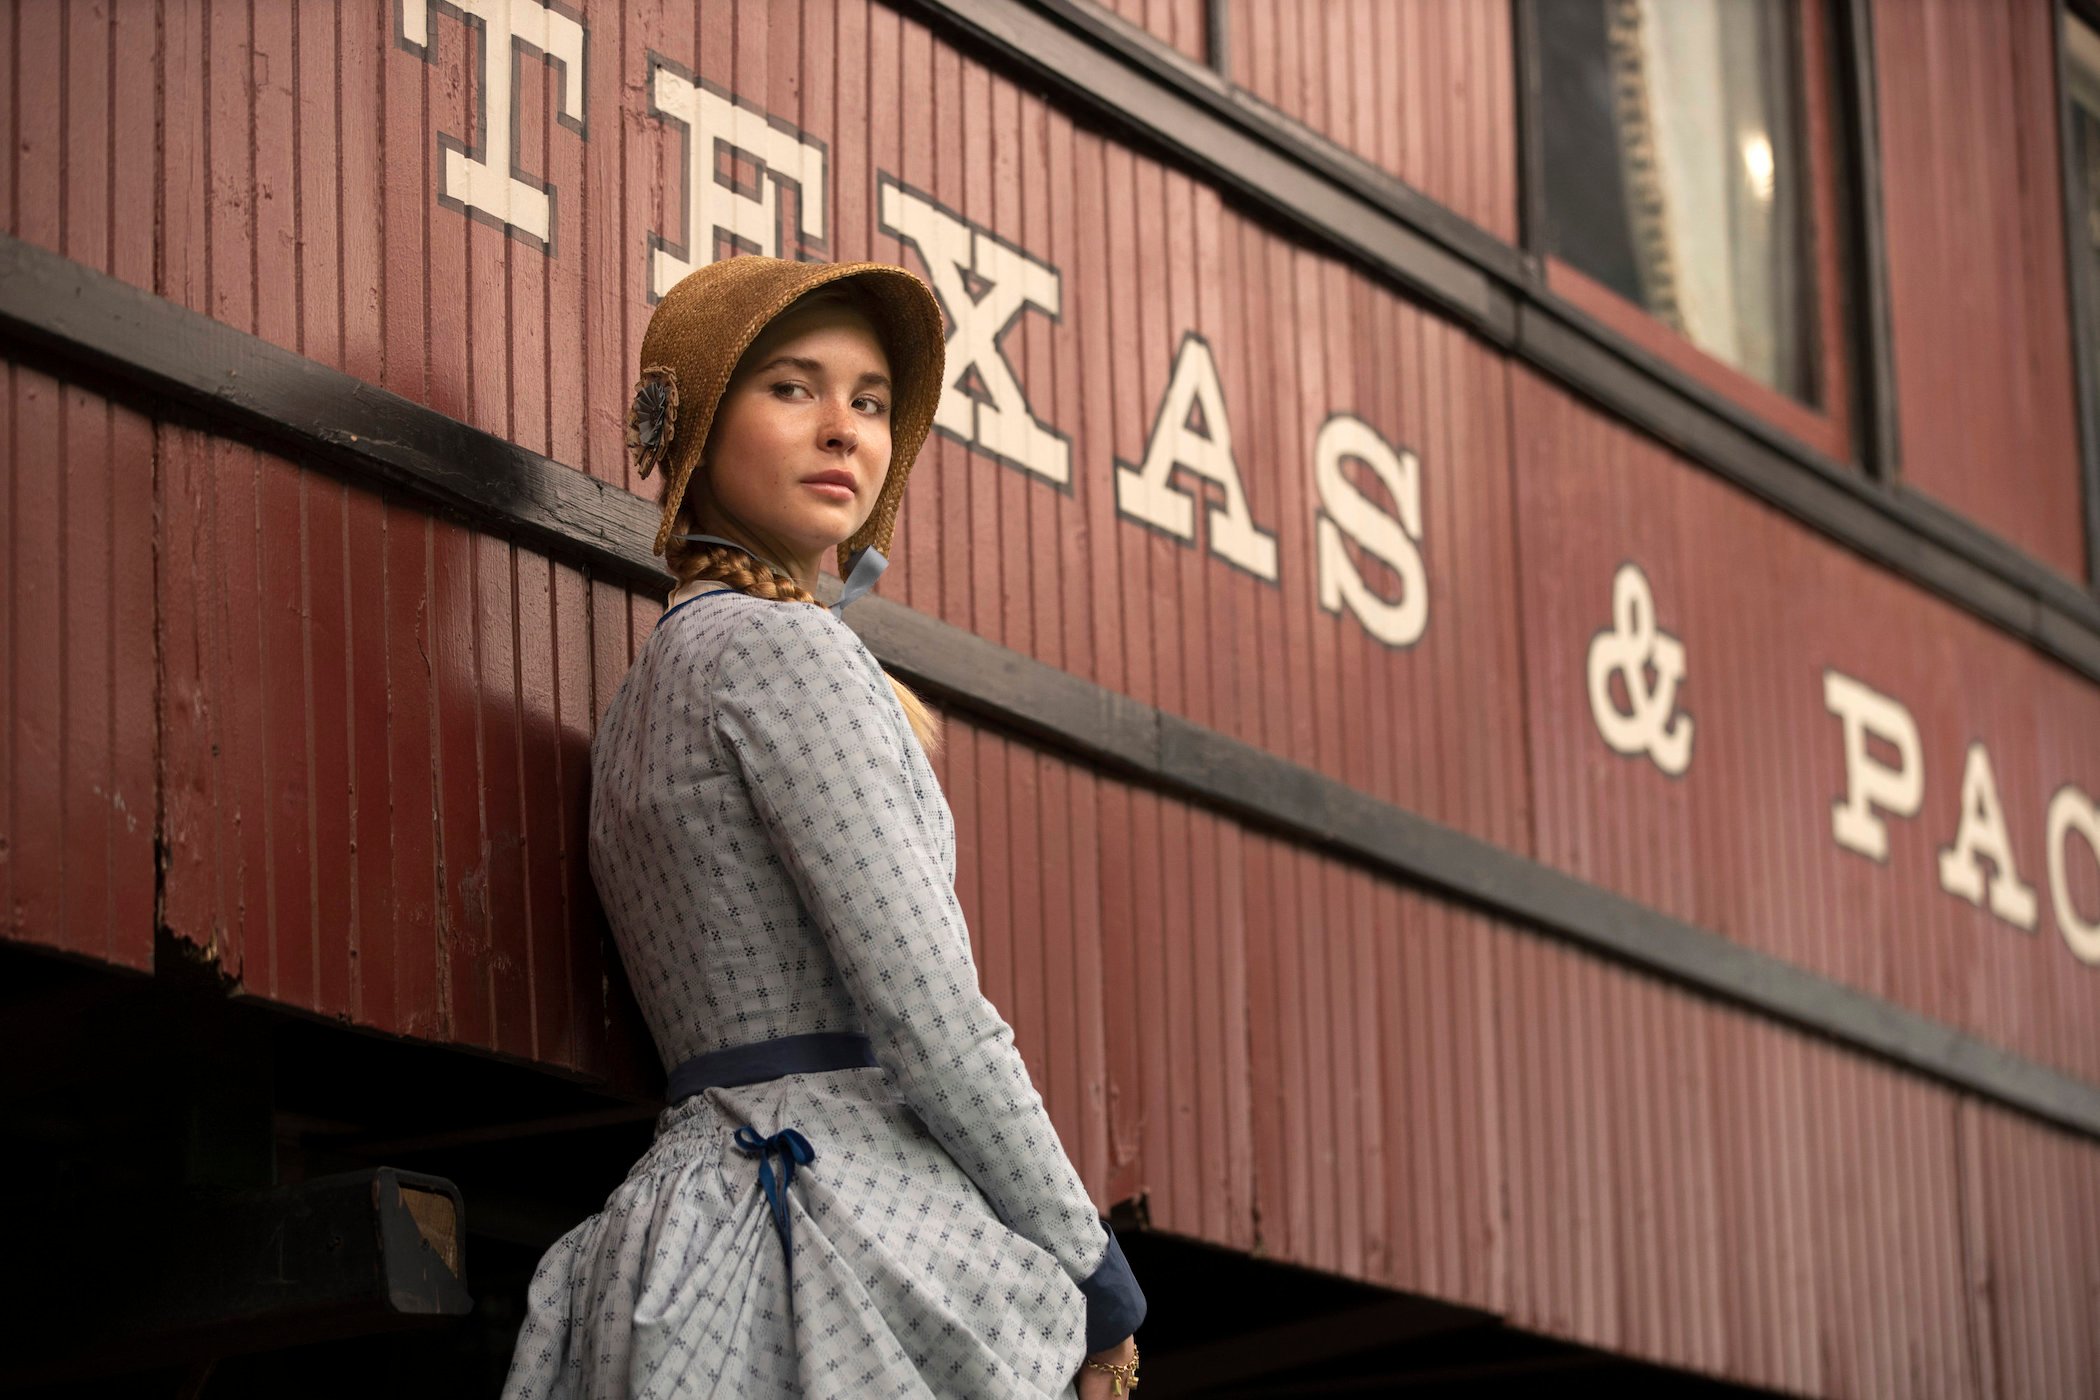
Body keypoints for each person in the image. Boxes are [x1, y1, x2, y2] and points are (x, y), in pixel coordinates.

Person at [501, 254, 1146, 1399]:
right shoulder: (784, 649)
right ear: (698, 423)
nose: (843, 428)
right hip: (823, 1222)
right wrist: (1093, 1270)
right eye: (793, 387)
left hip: (686, 1231)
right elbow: (930, 1012)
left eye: (870, 400)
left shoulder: (658, 675)